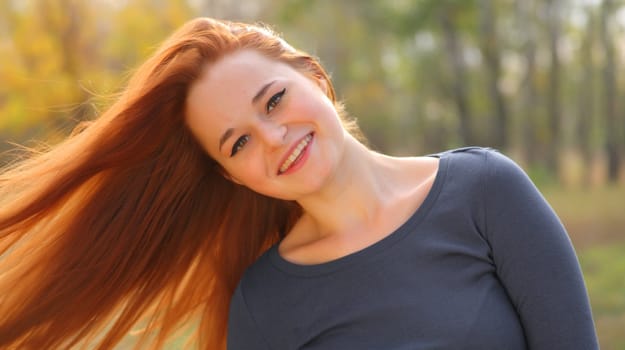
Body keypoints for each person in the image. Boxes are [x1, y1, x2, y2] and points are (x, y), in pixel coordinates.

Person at [0, 17, 598, 350]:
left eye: (274, 100)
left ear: (314, 76)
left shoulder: (485, 191)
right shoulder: (264, 306)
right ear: (228, 174)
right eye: (237, 143)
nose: (273, 138)